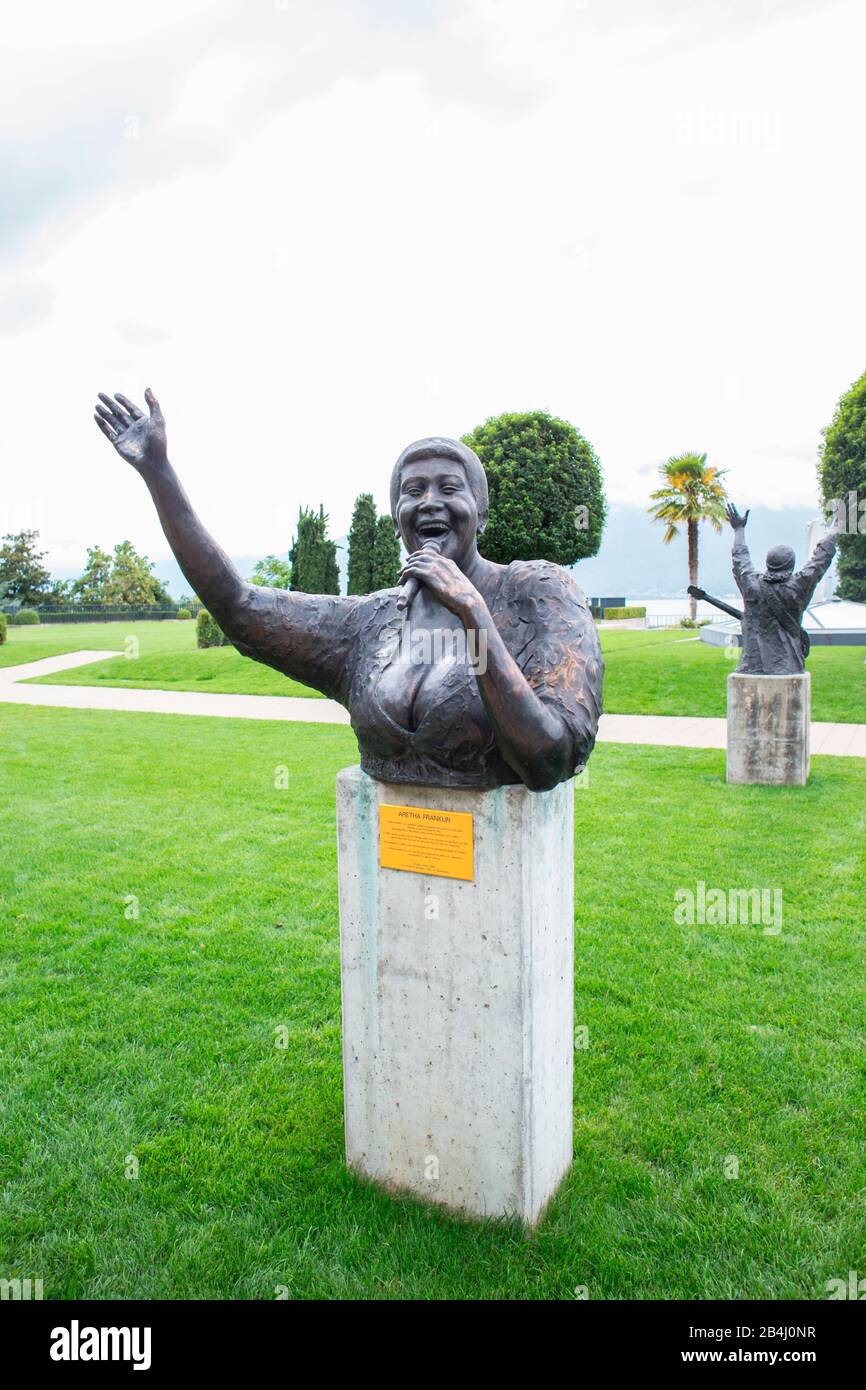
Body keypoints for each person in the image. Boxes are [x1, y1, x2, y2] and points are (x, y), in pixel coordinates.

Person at [94, 388, 603, 790]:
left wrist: (474, 613)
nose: (429, 502)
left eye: (450, 489)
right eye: (412, 492)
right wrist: (158, 473)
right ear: (397, 519)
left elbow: (548, 761)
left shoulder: (537, 591)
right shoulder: (371, 622)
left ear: (482, 511)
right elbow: (238, 607)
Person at [725, 502, 837, 675]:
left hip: (752, 666)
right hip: (788, 665)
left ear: (767, 564)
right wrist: (836, 527)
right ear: (791, 567)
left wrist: (739, 530)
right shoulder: (798, 586)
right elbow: (820, 560)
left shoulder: (751, 584)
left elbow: (740, 559)